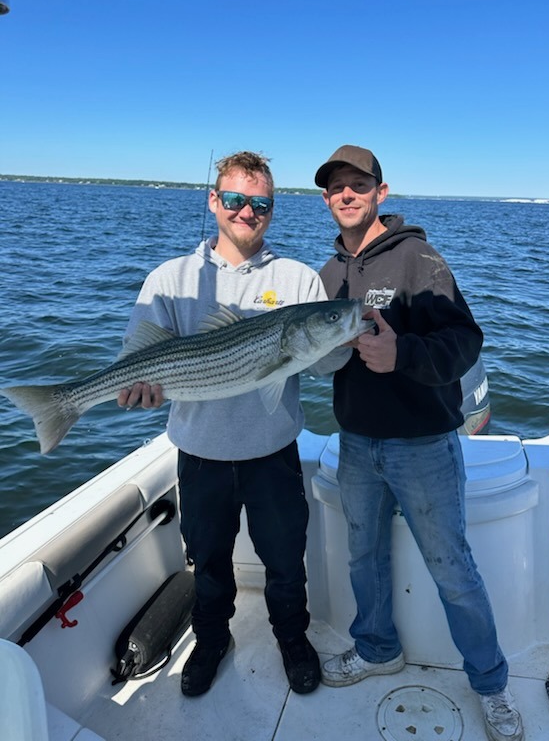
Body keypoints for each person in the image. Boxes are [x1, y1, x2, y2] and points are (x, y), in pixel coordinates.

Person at [118, 151, 347, 698]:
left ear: (272, 209)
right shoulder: (171, 278)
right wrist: (140, 390)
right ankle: (212, 640)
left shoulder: (297, 279)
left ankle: (293, 640)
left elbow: (324, 364)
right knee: (210, 563)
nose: (249, 212)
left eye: (260, 202)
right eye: (237, 200)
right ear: (215, 202)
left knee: (286, 562)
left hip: (273, 453)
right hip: (200, 455)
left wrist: (346, 334)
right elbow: (136, 359)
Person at [313, 144, 524, 741]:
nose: (346, 195)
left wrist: (401, 352)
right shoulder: (327, 275)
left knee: (452, 568)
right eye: (335, 188)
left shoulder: (418, 258)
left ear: (382, 192)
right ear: (327, 199)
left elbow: (466, 339)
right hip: (356, 441)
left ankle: (492, 684)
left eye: (358, 184)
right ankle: (377, 647)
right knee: (363, 557)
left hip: (423, 444)